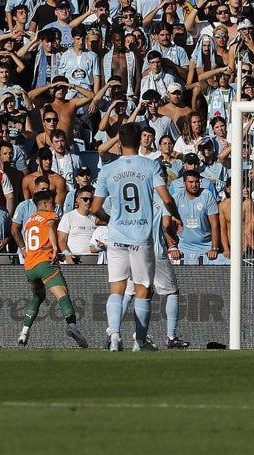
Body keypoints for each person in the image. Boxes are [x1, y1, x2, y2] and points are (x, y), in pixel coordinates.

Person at [90, 123, 183, 352]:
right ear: (141, 140)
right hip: (141, 237)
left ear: (119, 142)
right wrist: (176, 215)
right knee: (143, 289)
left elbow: (94, 209)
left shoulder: (108, 169)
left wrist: (109, 217)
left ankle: (114, 337)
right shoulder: (150, 166)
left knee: (117, 289)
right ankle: (140, 342)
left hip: (117, 236)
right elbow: (167, 200)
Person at [12, 190, 88, 348]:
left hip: (30, 266)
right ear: (46, 203)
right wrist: (54, 248)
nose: (55, 205)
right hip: (45, 263)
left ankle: (24, 331)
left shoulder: (29, 221)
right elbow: (50, 227)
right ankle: (72, 326)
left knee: (38, 297)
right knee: (62, 294)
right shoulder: (50, 216)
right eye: (53, 202)